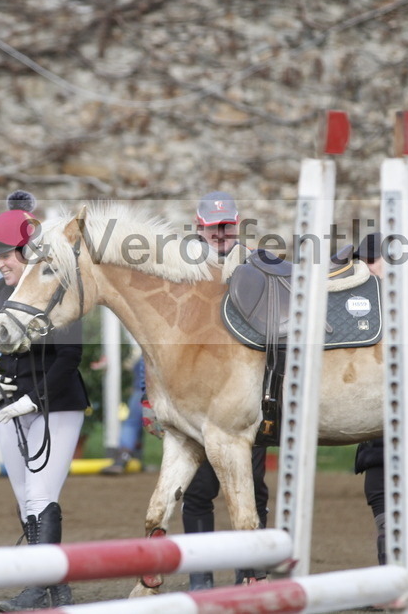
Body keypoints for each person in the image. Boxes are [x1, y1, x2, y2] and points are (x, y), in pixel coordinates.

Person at [0, 191, 90, 612]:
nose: (0, 262)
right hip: (10, 406)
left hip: (57, 402)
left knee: (40, 493)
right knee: (25, 497)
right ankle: (55, 588)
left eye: (7, 255)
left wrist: (34, 401)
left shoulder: (56, 287)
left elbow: (70, 358)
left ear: (27, 251)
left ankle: (37, 588)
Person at [179, 190, 271, 589]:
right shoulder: (181, 271)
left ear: (237, 223)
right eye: (212, 226)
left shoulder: (259, 264)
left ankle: (251, 573)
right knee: (198, 491)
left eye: (226, 225)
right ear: (198, 227)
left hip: (246, 395)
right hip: (195, 400)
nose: (220, 232)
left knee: (252, 487)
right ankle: (201, 577)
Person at [351, 232, 408, 565]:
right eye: (360, 261)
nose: (363, 267)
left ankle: (395, 579)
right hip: (378, 417)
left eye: (370, 260)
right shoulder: (375, 302)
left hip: (404, 415)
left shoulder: (406, 303)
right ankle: (395, 577)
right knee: (382, 497)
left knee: (390, 499)